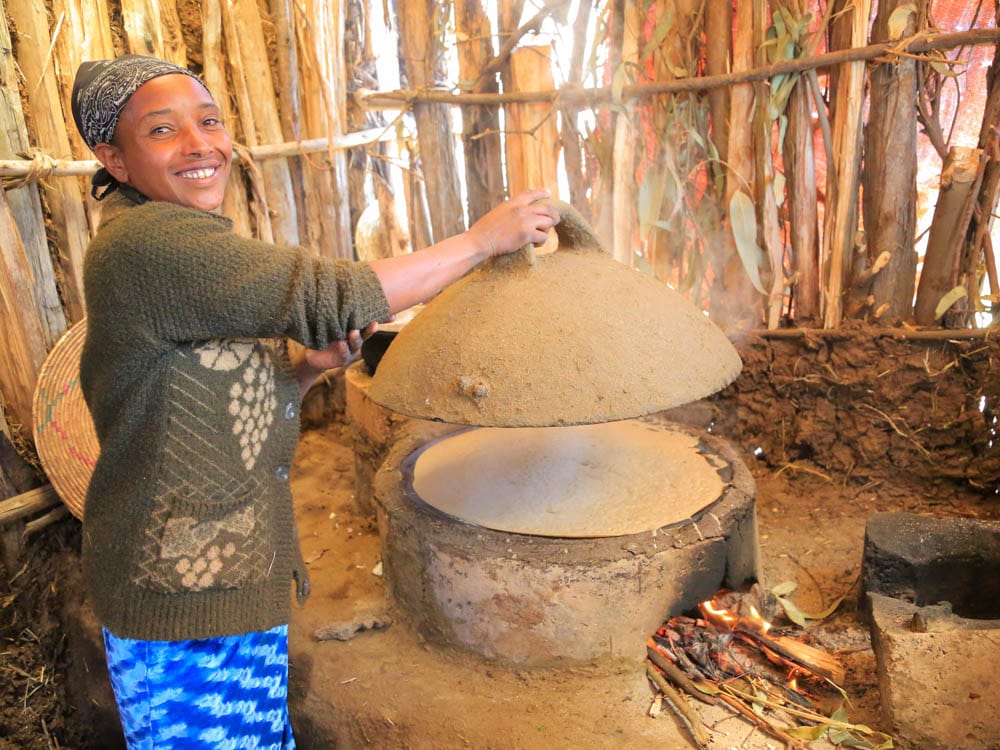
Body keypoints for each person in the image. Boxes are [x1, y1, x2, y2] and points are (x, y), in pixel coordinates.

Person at [71, 54, 559, 749]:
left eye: (209, 122)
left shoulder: (173, 239)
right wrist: (482, 241)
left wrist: (302, 373)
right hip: (181, 603)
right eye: (162, 131)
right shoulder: (149, 246)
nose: (200, 144)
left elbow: (187, 397)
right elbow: (333, 294)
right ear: (113, 158)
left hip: (216, 582)